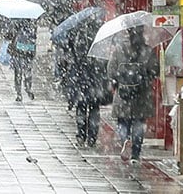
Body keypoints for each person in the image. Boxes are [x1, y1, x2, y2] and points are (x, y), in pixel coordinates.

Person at [107, 26, 159, 164]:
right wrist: (145, 77)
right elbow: (155, 71)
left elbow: (111, 70)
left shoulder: (119, 50)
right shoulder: (148, 51)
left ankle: (125, 140)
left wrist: (119, 79)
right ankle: (135, 154)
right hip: (142, 94)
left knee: (123, 122)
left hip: (123, 93)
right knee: (139, 123)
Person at [66, 22, 110, 147]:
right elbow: (104, 67)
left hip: (82, 83)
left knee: (81, 108)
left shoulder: (79, 44)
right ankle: (92, 136)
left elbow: (74, 63)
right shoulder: (100, 47)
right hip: (95, 84)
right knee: (94, 110)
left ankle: (81, 135)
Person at [7, 18, 37, 101]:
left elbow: (9, 35)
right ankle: (28, 88)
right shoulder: (32, 22)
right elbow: (34, 37)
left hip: (18, 51)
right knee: (27, 72)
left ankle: (19, 93)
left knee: (18, 73)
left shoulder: (14, 21)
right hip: (28, 51)